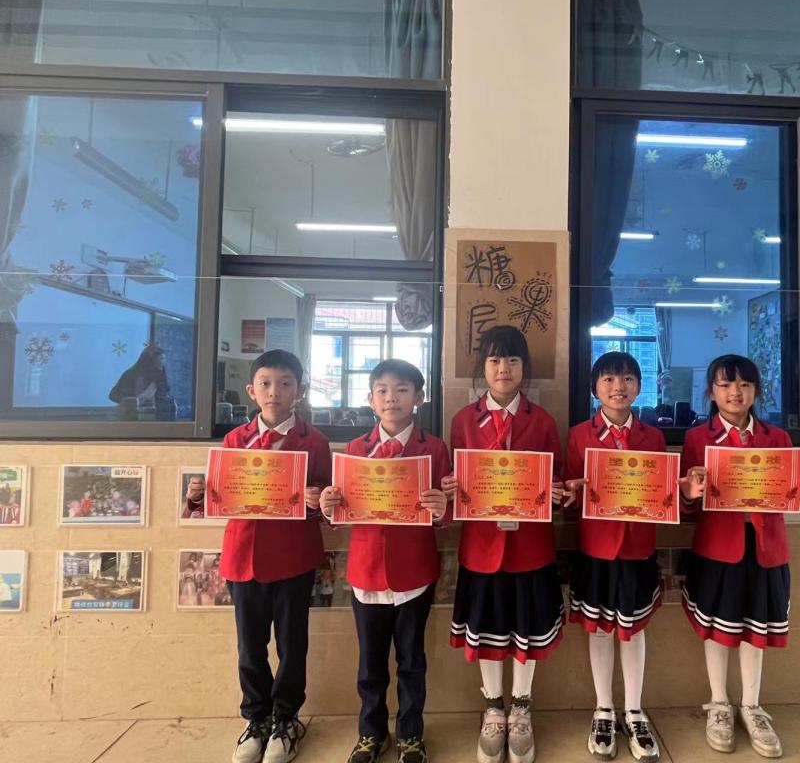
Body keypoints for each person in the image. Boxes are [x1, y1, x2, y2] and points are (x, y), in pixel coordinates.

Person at [678, 355, 800, 759]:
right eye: (725, 385)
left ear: (757, 391)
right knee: (717, 628)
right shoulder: (697, 438)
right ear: (711, 392)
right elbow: (688, 503)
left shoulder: (777, 438)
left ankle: (752, 706)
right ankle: (719, 704)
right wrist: (689, 493)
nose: (735, 393)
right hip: (717, 548)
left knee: (755, 629)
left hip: (765, 548)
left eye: (744, 385)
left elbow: (789, 496)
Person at [186, 350, 330, 763]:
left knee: (292, 646)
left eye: (285, 383)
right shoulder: (235, 440)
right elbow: (222, 498)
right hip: (243, 558)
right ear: (251, 390)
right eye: (266, 383)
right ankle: (257, 718)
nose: (274, 392)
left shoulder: (315, 442)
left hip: (293, 560)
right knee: (250, 648)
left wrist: (318, 500)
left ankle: (287, 718)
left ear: (300, 390)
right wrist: (198, 496)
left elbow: (329, 505)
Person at [441, 326, 566, 763]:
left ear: (524, 367)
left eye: (512, 360)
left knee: (527, 628)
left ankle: (521, 707)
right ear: (483, 366)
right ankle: (494, 707)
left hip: (530, 546)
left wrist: (555, 490)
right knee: (489, 627)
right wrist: (452, 486)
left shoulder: (543, 421)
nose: (503, 369)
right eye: (494, 360)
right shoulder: (462, 420)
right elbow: (454, 484)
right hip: (482, 546)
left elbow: (555, 480)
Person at [320, 359, 451, 763]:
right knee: (370, 664)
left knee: (412, 662)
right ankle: (371, 733)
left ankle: (411, 734)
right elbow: (341, 512)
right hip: (367, 571)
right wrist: (328, 505)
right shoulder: (355, 451)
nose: (391, 398)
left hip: (414, 571)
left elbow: (446, 513)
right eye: (382, 390)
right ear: (370, 398)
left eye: (402, 389)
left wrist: (442, 507)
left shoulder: (435, 449)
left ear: (419, 397)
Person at [562, 352, 667, 762]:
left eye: (627, 379)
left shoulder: (653, 438)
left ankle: (635, 711)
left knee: (634, 629)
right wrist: (571, 492)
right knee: (599, 630)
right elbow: (570, 500)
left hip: (638, 547)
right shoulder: (578, 435)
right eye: (608, 379)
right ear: (595, 388)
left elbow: (661, 495)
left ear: (639, 386)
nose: (618, 387)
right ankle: (604, 709)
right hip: (596, 547)